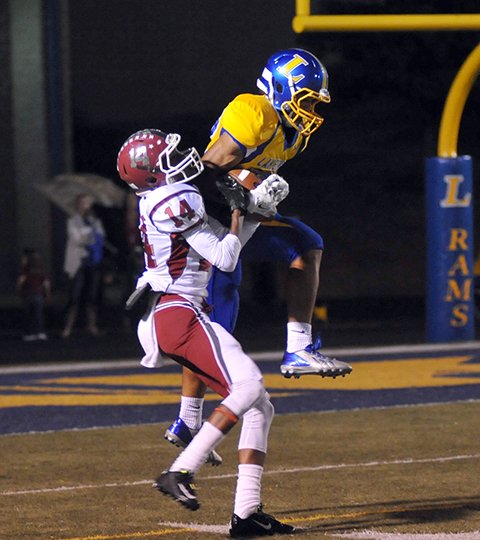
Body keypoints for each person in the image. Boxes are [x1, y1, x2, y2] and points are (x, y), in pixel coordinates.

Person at [165, 48, 352, 458]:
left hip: (239, 220)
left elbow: (250, 181)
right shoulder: (253, 112)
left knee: (304, 242)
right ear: (281, 89)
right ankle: (188, 418)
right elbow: (204, 175)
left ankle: (297, 348)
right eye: (306, 100)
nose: (311, 112)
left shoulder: (295, 135)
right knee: (216, 327)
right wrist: (248, 190)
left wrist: (257, 195)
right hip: (212, 226)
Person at [117, 128, 295, 537]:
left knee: (259, 407)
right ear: (151, 173)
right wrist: (240, 212)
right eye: (168, 155)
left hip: (179, 311)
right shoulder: (174, 200)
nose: (179, 156)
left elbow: (220, 248)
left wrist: (252, 214)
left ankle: (246, 514)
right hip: (177, 311)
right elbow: (224, 258)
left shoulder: (163, 198)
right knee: (249, 384)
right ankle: (180, 470)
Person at [62, 193, 106, 338]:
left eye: (87, 203)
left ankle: (92, 325)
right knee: (74, 296)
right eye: (82, 203)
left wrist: (91, 234)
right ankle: (67, 327)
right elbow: (77, 238)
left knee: (92, 295)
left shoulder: (94, 221)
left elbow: (100, 236)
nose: (85, 206)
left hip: (92, 262)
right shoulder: (73, 221)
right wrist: (90, 234)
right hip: (78, 263)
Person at [16, 248, 51, 341]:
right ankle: (39, 332)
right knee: (38, 315)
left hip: (28, 294)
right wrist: (47, 294)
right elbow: (46, 283)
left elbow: (20, 281)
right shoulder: (40, 270)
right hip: (38, 294)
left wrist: (19, 291)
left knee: (28, 315)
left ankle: (29, 333)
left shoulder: (25, 270)